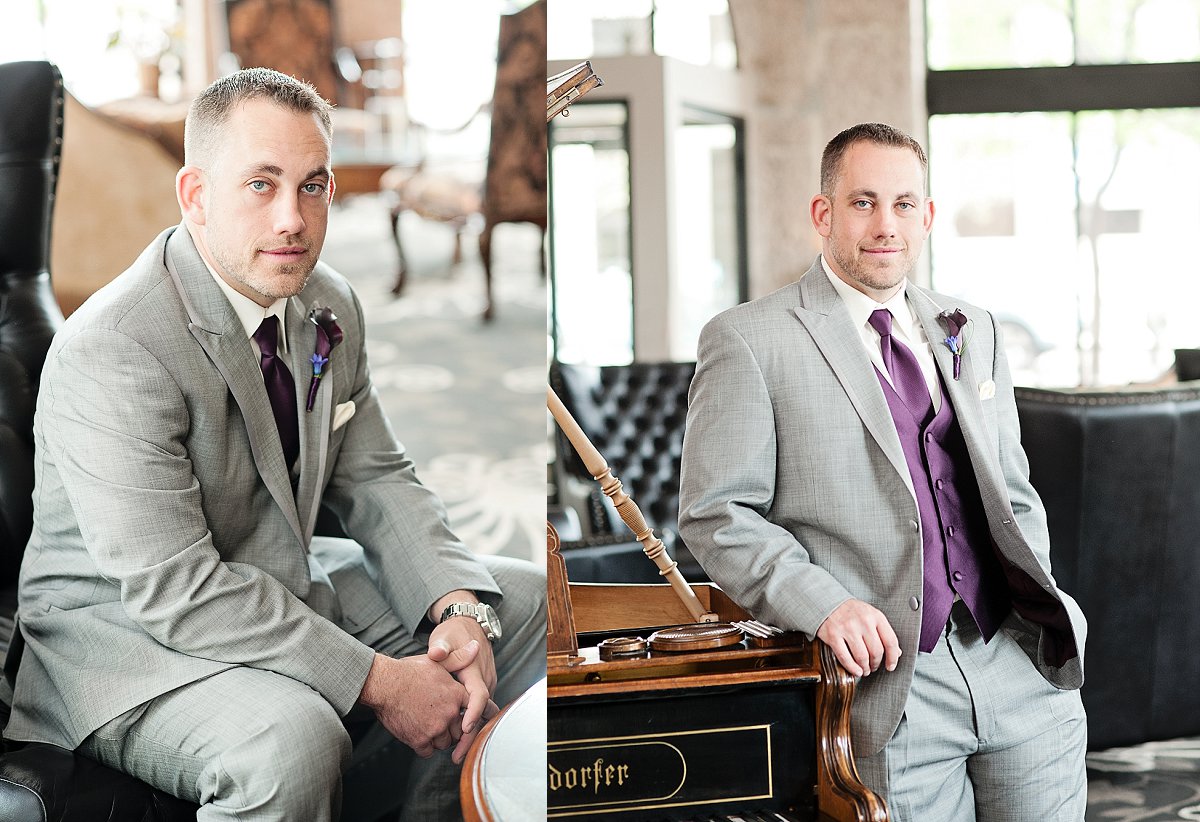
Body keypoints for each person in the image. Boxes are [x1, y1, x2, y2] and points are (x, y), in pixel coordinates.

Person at [4, 67, 545, 822]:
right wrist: (383, 682)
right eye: (261, 185)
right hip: (125, 636)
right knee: (291, 743)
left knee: (519, 602)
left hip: (279, 573)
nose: (292, 218)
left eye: (312, 186)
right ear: (195, 195)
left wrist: (457, 606)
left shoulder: (327, 301)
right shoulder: (118, 347)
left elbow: (378, 476)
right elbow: (177, 590)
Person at [678, 122, 1087, 821]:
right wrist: (824, 605)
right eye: (863, 202)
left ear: (926, 216)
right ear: (823, 213)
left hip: (1019, 661)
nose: (884, 224)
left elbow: (1013, 489)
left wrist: (1042, 595)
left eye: (903, 204)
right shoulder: (748, 339)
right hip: (891, 685)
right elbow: (715, 513)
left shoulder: (974, 328)